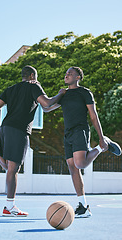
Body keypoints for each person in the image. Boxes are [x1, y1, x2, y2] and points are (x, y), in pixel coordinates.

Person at [0, 65, 66, 217]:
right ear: (32, 76)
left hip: (6, 127)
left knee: (8, 167)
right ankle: (9, 207)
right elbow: (47, 103)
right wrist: (60, 94)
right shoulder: (34, 86)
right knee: (13, 169)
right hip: (19, 130)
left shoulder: (10, 89)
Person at [43, 66, 122, 218]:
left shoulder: (84, 93)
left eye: (70, 73)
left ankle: (102, 145)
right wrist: (59, 94)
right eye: (66, 73)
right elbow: (47, 108)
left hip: (80, 130)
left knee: (80, 164)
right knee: (73, 168)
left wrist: (100, 136)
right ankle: (84, 206)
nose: (67, 75)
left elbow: (93, 115)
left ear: (78, 77)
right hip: (68, 134)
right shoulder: (64, 94)